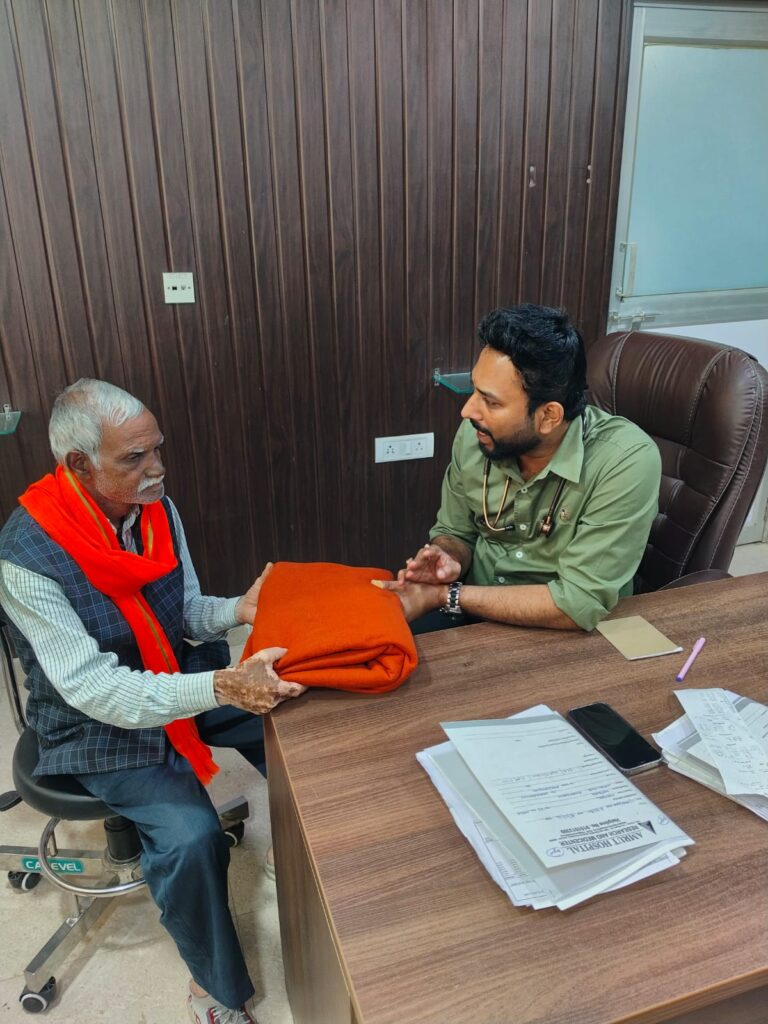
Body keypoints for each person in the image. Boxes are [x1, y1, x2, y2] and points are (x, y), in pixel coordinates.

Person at [0, 379, 305, 1024]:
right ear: (80, 464)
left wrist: (239, 610)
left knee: (293, 709)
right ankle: (213, 991)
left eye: (157, 449)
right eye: (134, 457)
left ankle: (304, 852)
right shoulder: (25, 556)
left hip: (168, 671)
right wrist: (218, 686)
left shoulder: (155, 510)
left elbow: (184, 612)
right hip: (91, 719)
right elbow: (94, 688)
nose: (157, 467)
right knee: (192, 838)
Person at [379, 304, 661, 632]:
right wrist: (448, 557)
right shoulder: (476, 435)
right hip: (471, 612)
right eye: (474, 390)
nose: (468, 411)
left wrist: (447, 595)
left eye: (491, 402)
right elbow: (455, 532)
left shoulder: (625, 460)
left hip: (567, 632)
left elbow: (578, 602)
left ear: (549, 416)